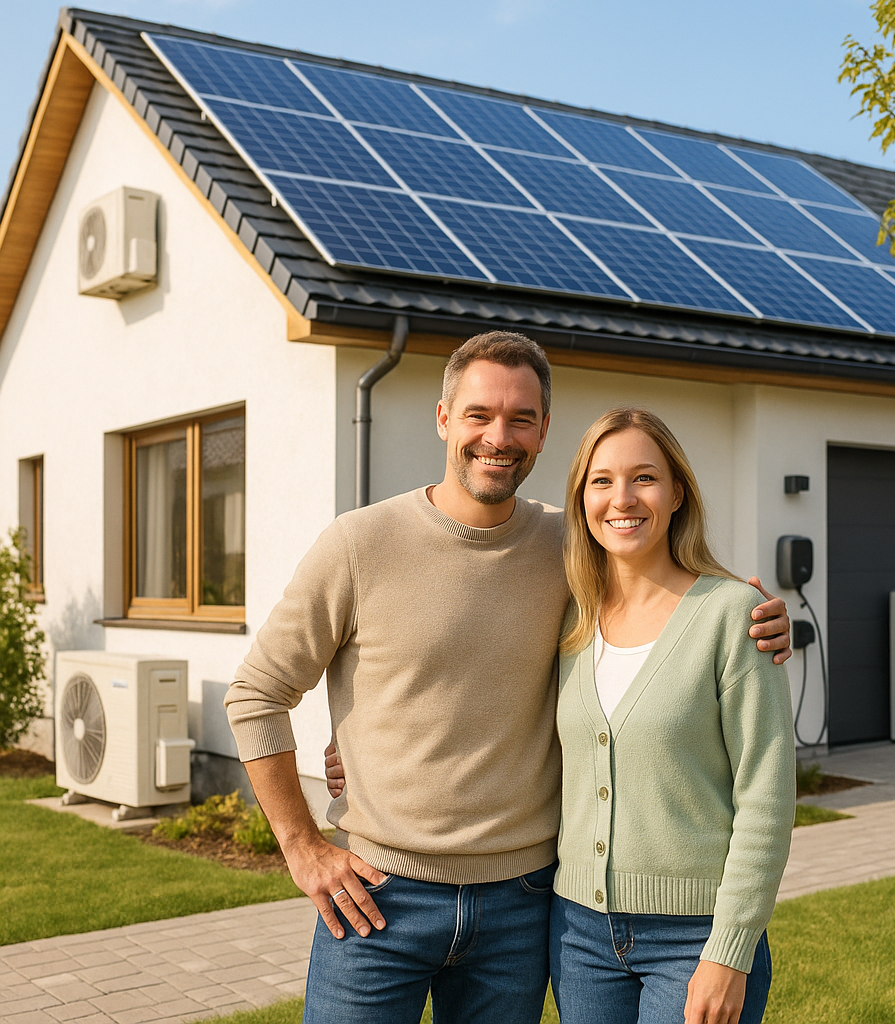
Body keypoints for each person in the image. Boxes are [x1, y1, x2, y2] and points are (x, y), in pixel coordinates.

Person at [226, 332, 791, 1024]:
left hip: (521, 908)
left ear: (545, 431)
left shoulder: (572, 548)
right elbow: (257, 694)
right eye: (478, 415)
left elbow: (664, 593)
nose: (500, 436)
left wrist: (754, 613)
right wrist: (302, 845)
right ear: (442, 419)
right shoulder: (358, 545)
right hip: (379, 899)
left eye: (521, 418)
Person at [549, 407, 796, 1024]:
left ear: (678, 491)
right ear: (581, 499)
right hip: (577, 933)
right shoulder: (567, 622)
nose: (622, 498)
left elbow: (766, 795)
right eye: (601, 481)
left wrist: (730, 951)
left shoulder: (733, 615)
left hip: (695, 938)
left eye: (645, 478)